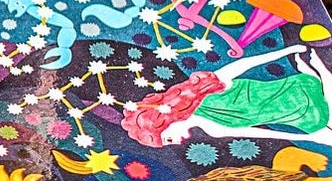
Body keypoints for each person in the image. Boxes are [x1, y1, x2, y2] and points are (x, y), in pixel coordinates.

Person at [121, 45, 332, 150]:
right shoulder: (215, 129)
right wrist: (310, 138)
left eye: (168, 139)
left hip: (296, 91)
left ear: (165, 120)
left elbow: (243, 64)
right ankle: (318, 73)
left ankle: (320, 73)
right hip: (301, 117)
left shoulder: (205, 90)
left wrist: (287, 50)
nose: (176, 142)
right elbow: (263, 133)